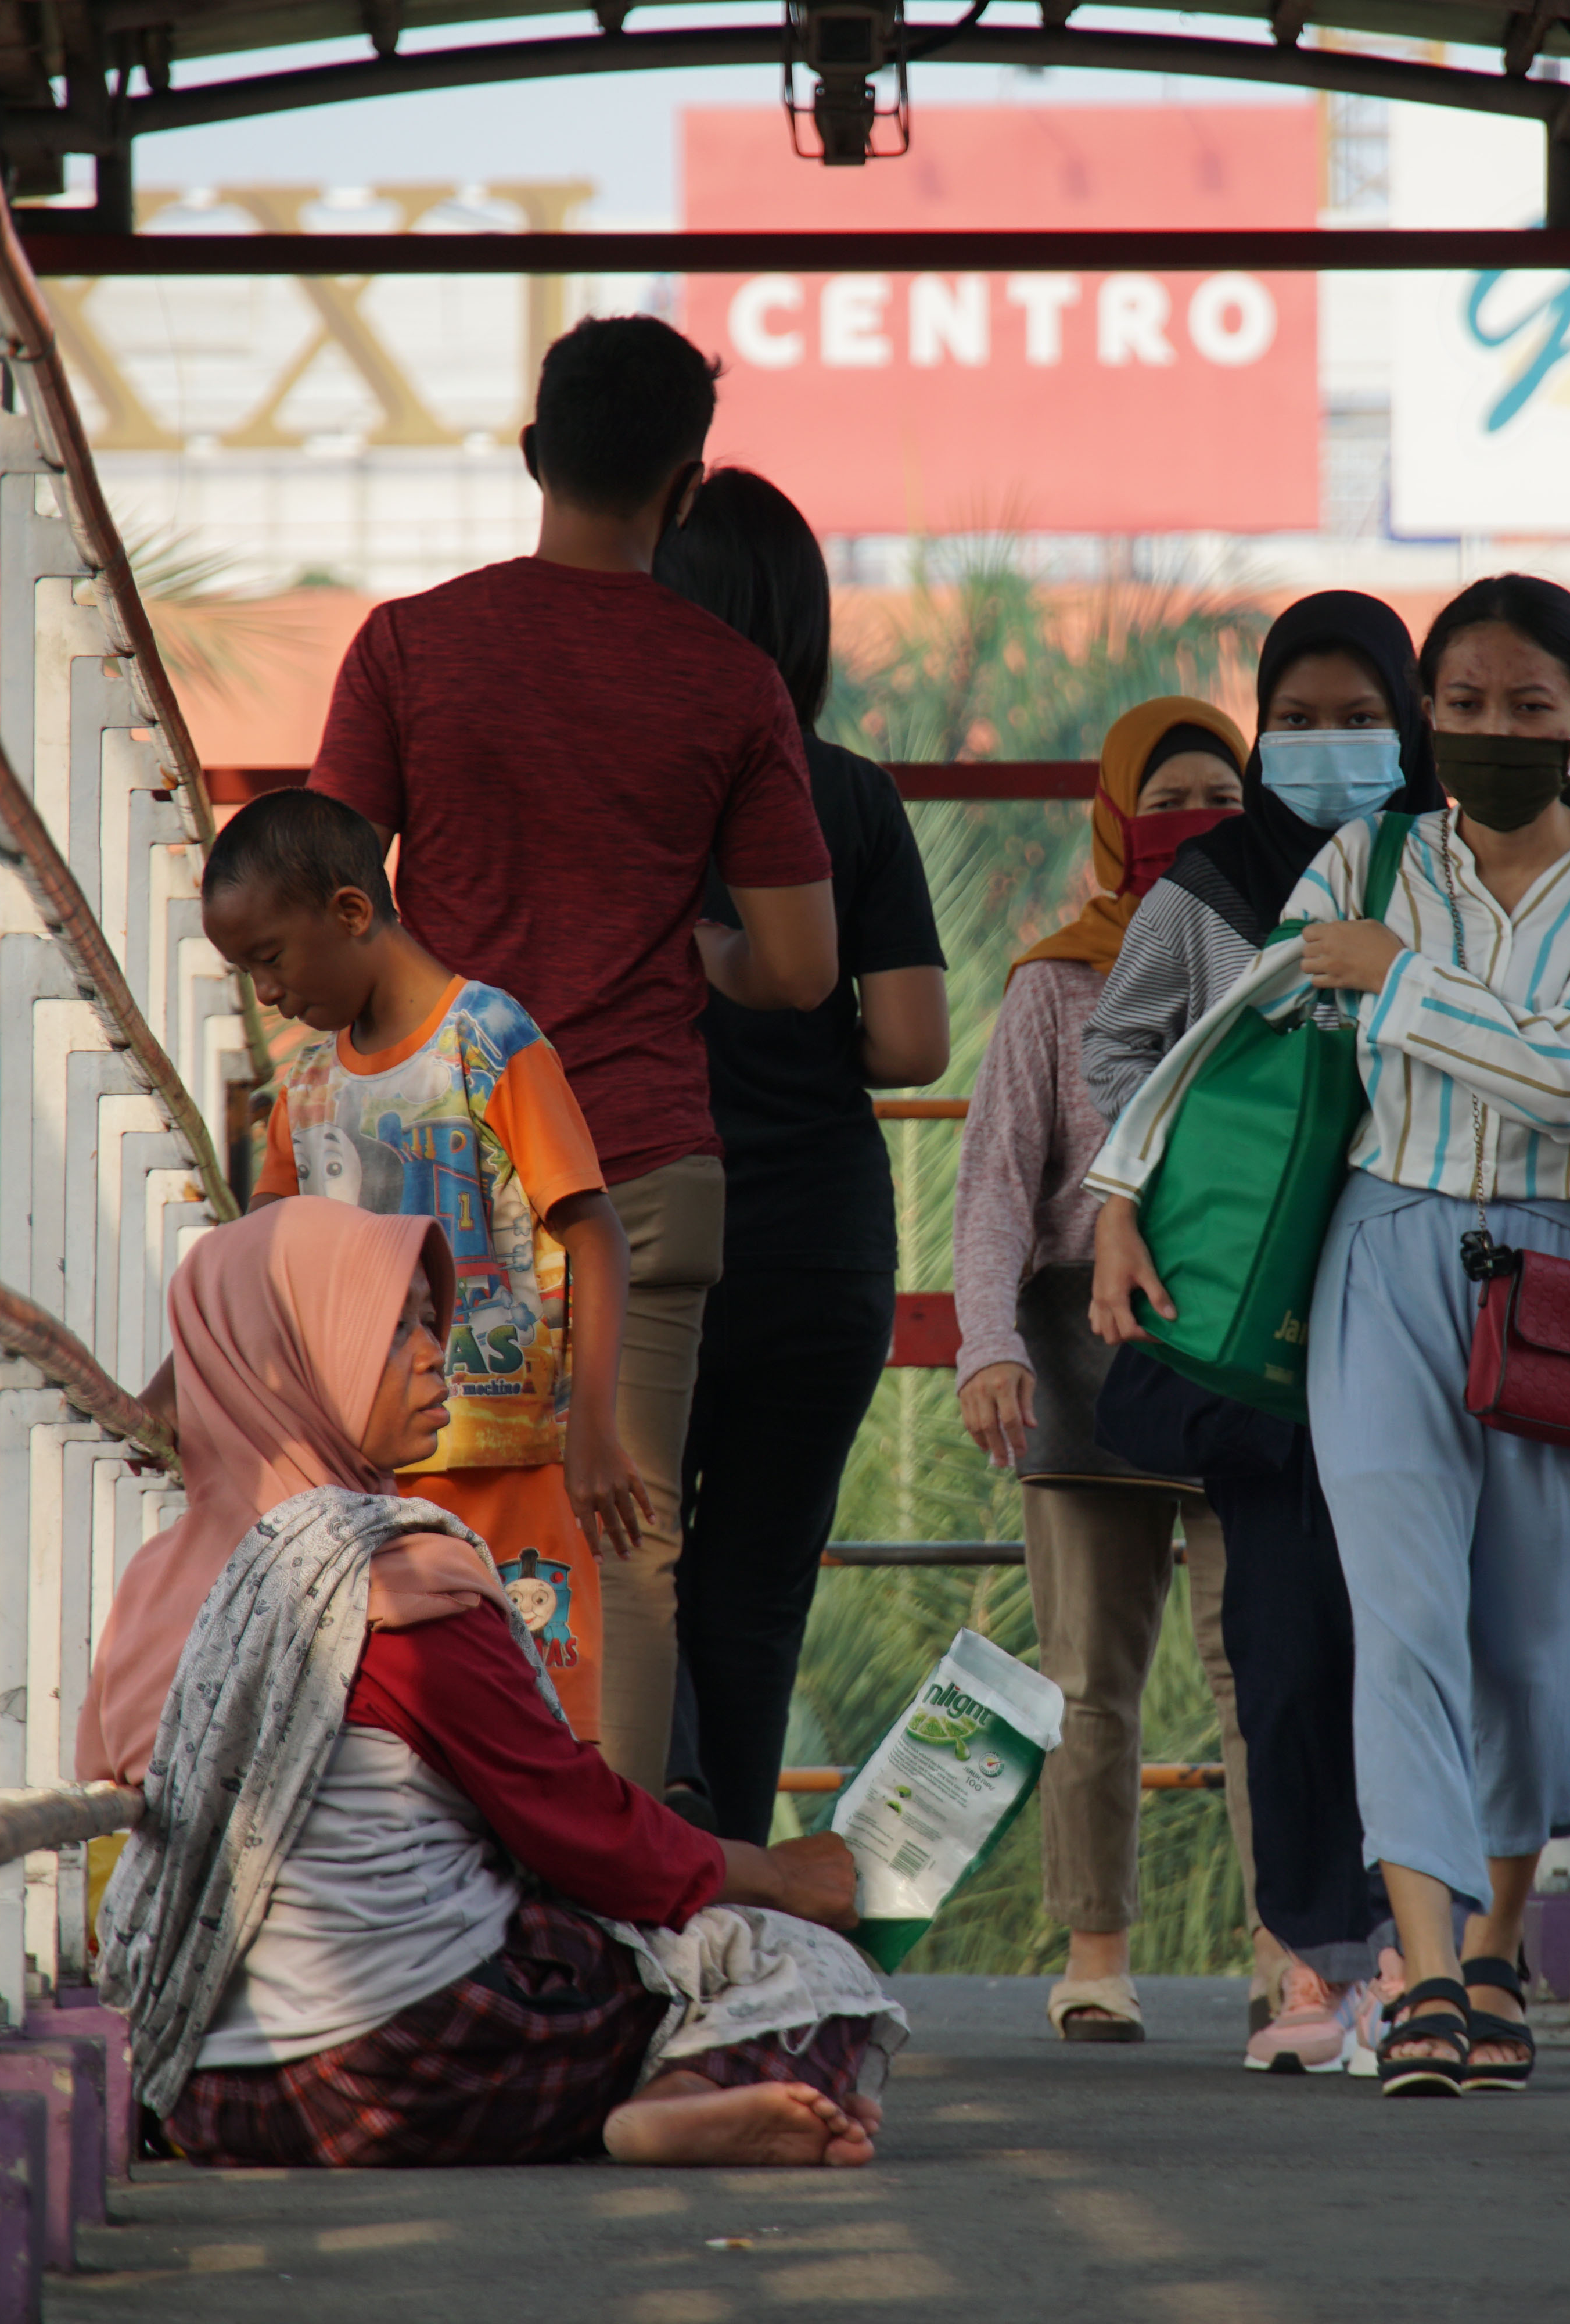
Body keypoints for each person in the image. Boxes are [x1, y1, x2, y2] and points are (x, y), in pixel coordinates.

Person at [1091, 575, 1570, 2099]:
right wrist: (1119, 1193)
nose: (1493, 729)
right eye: (1465, 703)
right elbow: (1238, 1043)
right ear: (1435, 715)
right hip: (1384, 1255)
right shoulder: (1364, 858)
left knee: (1529, 1634)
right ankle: (1424, 1977)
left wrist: (1401, 982)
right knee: (1404, 1613)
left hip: (1560, 1274)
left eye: (1528, 706)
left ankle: (1493, 1950)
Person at [83, 1198, 902, 2169]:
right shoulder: (386, 1583)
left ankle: (685, 2090)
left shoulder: (150, 1589)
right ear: (291, 1361)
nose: (439, 1356)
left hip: (212, 2091)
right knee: (801, 1962)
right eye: (391, 1331)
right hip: (419, 2069)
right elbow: (577, 1827)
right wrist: (778, 1878)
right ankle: (687, 2089)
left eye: (432, 1322)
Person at [307, 313, 839, 1784]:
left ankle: (430, 1849)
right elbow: (801, 966)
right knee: (630, 1547)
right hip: (641, 1161)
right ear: (687, 487)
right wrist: (696, 949)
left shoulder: (409, 646)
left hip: (425, 1171)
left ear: (537, 453)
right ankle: (614, 1881)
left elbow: (326, 895)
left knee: (410, 1514)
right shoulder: (730, 681)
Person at [1077, 593, 1438, 2073]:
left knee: (1411, 1631)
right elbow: (1119, 1042)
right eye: (1297, 718)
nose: (1326, 744)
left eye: (1360, 718)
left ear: (1409, 723)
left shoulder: (1449, 868)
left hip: (1410, 1296)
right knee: (1284, 1647)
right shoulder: (1211, 886)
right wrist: (1140, 1193)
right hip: (1258, 1318)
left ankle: (1427, 1958)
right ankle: (1316, 1959)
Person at [197, 786, 639, 1743]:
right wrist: (174, 1397)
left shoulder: (490, 1041)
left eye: (269, 958)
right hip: (367, 1484)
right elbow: (254, 1266)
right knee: (406, 1738)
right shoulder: (307, 1087)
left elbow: (595, 1232)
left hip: (514, 1469)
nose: (265, 994)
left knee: (539, 1730)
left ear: (352, 911)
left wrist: (597, 1430)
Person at [651, 468, 951, 1845]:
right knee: (757, 1591)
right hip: (822, 1252)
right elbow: (912, 1045)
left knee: (633, 1565)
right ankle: (738, 1871)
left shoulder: (630, 802)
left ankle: (662, 1861)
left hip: (654, 1240)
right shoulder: (854, 797)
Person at [955, 697, 1255, 2047]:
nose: (1197, 823)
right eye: (1169, 801)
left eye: (1224, 802)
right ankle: (1096, 1955)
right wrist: (989, 1344)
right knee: (1089, 1678)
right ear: (1117, 819)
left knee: (1263, 1663)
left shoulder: (1288, 966)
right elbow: (994, 1186)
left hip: (1245, 1345)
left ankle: (1290, 1948)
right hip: (1085, 1353)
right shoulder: (1053, 985)